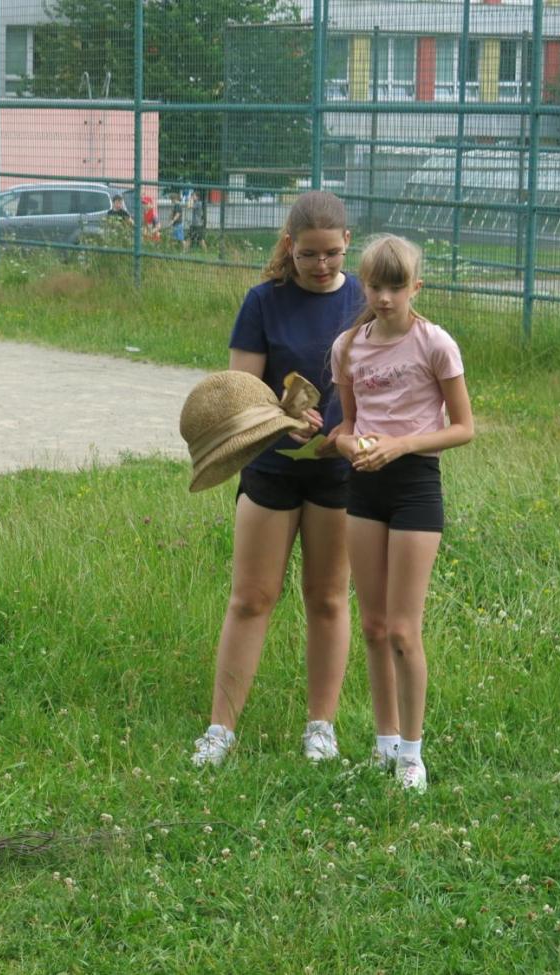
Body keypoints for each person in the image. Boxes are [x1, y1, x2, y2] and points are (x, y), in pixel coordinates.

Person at [192, 190, 363, 768]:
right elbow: (240, 394)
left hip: (338, 472)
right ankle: (220, 731)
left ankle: (321, 729)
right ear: (289, 247)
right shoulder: (263, 301)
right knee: (252, 598)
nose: (321, 265)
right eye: (309, 254)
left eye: (332, 254)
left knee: (328, 598)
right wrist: (283, 420)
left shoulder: (365, 299)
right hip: (270, 469)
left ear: (347, 243)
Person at [331, 234, 474, 793]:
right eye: (375, 286)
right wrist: (348, 444)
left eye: (396, 287)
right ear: (363, 285)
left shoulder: (435, 344)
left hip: (415, 485)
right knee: (372, 626)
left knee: (402, 630)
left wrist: (401, 445)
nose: (385, 298)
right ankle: (385, 742)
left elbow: (463, 428)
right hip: (364, 487)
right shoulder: (348, 346)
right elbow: (346, 426)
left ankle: (413, 754)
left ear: (416, 286)